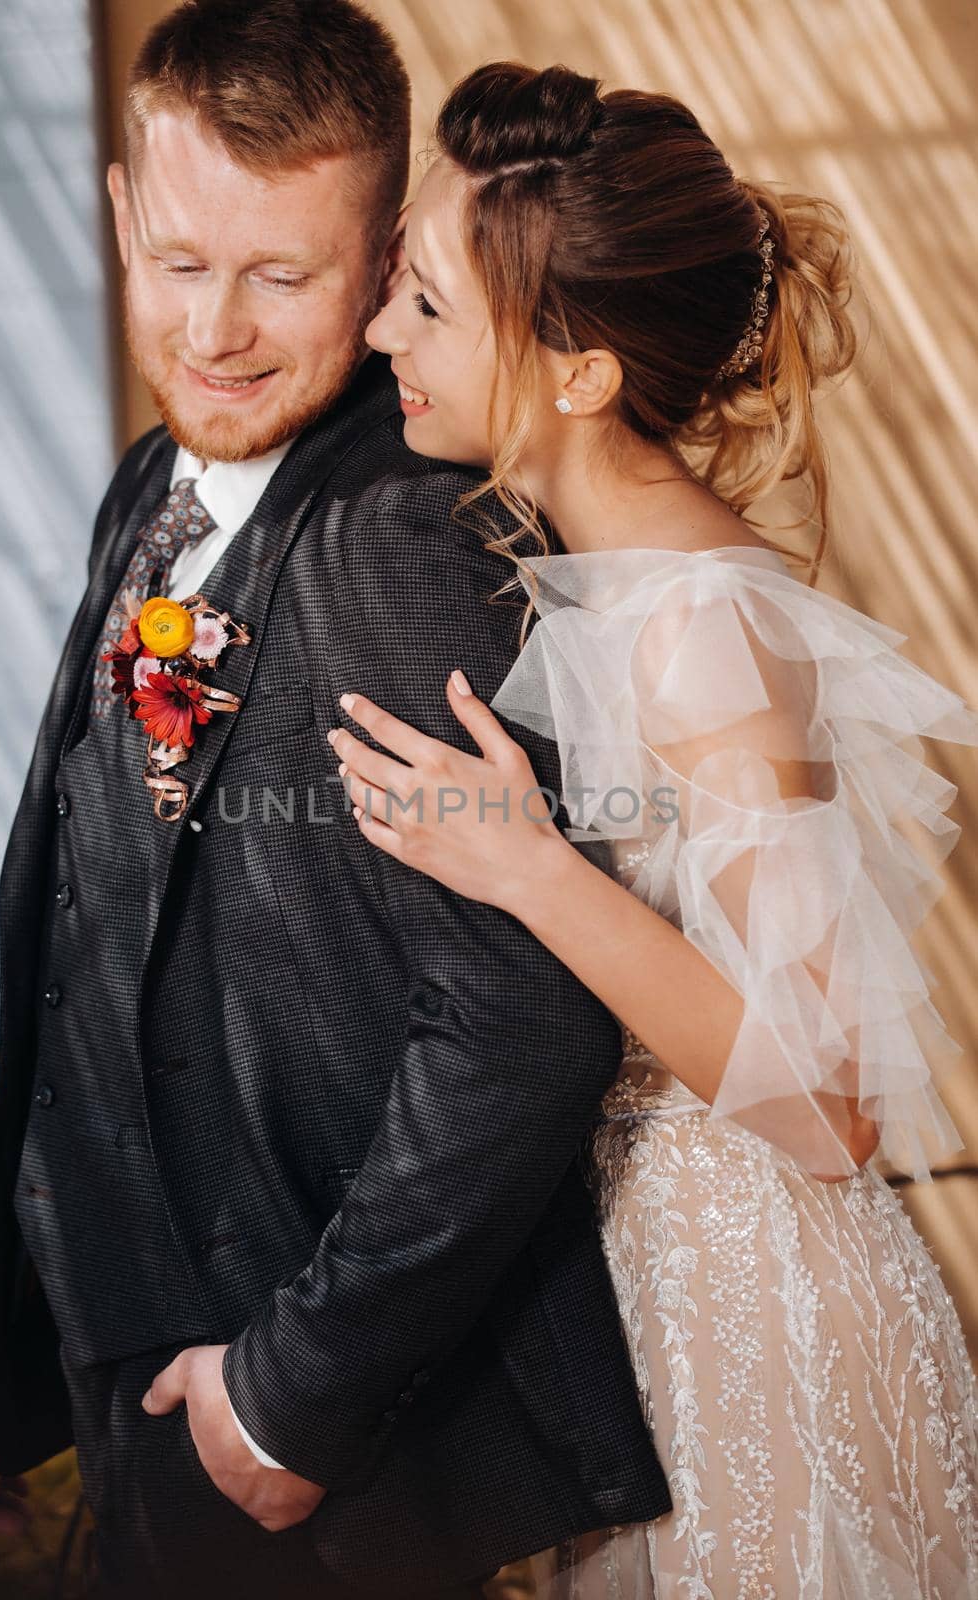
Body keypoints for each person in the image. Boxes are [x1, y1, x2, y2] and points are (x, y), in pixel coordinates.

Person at [0, 11, 674, 1600]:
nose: (221, 332)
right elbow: (81, 932)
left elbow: (525, 1015)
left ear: (388, 249)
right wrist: (1, 1325)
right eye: (183, 261)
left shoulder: (400, 532)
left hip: (308, 1448)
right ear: (120, 210)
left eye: (286, 274)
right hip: (140, 1378)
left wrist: (290, 1399)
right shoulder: (150, 481)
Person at [341, 60, 978, 1596]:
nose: (377, 336)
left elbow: (829, 1108)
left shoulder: (701, 629)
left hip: (756, 1332)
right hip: (647, 1311)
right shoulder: (617, 587)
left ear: (579, 373)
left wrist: (528, 871)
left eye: (423, 304)